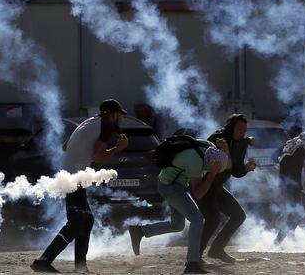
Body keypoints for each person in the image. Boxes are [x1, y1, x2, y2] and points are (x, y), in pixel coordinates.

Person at [31, 99, 129, 273]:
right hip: (73, 178)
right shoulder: (107, 126)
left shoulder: (89, 121)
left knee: (86, 220)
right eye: (119, 114)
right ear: (112, 114)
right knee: (77, 222)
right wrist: (118, 148)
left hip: (69, 176)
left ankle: (80, 267)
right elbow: (98, 157)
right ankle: (43, 261)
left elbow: (65, 146)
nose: (120, 118)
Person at [128, 138, 226, 274]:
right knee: (197, 220)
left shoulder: (209, 148)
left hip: (175, 184)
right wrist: (212, 173)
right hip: (169, 186)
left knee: (177, 225)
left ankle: (140, 231)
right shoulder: (195, 161)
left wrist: (225, 150)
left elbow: (226, 164)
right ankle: (192, 263)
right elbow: (198, 194)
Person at [199, 114, 257, 263]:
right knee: (213, 220)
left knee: (238, 216)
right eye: (239, 129)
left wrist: (247, 167)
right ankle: (195, 256)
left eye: (245, 130)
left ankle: (217, 249)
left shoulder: (241, 144)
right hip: (205, 185)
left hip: (217, 187)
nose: (242, 132)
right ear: (231, 127)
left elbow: (236, 171)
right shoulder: (216, 139)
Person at [276, 131, 305, 239]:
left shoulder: (290, 149)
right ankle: (279, 240)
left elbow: (274, 156)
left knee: (294, 214)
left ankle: (289, 237)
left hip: (288, 187)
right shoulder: (300, 150)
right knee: (296, 214)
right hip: (293, 188)